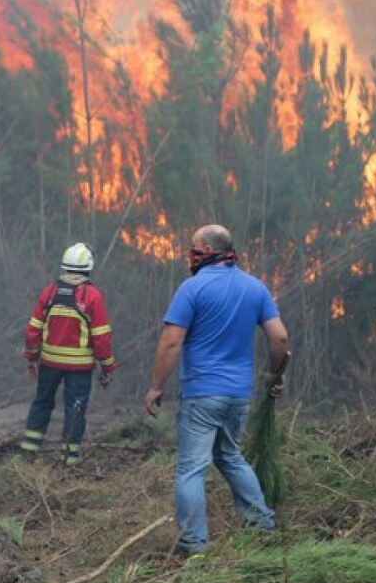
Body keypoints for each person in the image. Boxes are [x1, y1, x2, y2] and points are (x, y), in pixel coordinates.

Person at [143, 224, 288, 556]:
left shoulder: (192, 289)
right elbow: (279, 337)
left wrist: (155, 387)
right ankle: (261, 525)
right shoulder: (256, 288)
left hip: (202, 394)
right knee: (230, 456)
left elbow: (170, 342)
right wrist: (275, 374)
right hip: (239, 395)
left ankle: (194, 543)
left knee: (192, 468)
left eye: (193, 247)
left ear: (206, 251)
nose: (189, 254)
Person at [21, 243, 117, 466]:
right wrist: (108, 366)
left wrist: (31, 357)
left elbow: (33, 329)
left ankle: (28, 453)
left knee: (42, 403)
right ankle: (69, 461)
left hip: (49, 364)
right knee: (75, 409)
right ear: (88, 269)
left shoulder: (50, 291)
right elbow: (101, 337)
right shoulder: (92, 296)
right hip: (80, 368)